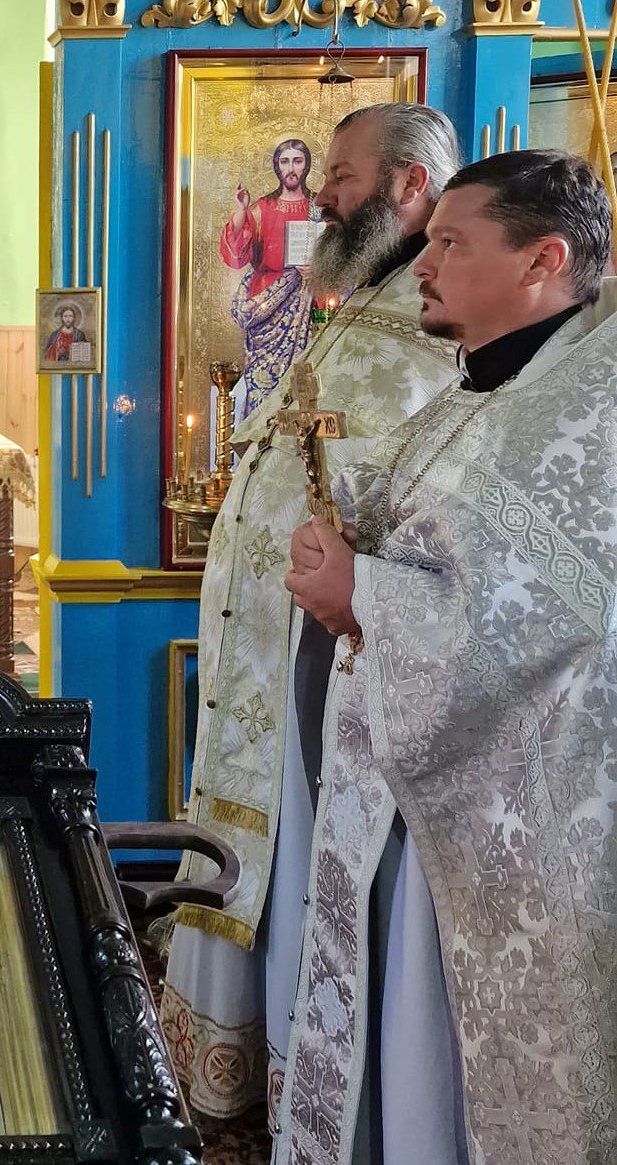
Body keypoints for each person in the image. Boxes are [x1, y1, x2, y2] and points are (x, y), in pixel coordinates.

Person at [277, 148, 616, 1165]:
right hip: (420, 801)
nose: (421, 264)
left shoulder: (590, 408)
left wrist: (362, 594)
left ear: (543, 261)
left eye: (451, 244)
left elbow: (564, 619)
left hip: (516, 816)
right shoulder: (486, 387)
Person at [161, 103, 463, 1129]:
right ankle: (250, 1062)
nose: (324, 197)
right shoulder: (364, 305)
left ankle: (311, 1082)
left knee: (309, 870)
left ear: (411, 186)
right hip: (277, 646)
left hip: (340, 656)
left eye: (342, 176)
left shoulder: (440, 332)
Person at [220, 138, 316, 419]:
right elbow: (236, 256)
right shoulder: (262, 208)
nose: (291, 169)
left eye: (297, 161)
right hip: (267, 305)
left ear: (306, 165)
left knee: (302, 385)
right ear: (277, 166)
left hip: (307, 303)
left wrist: (317, 270)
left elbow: (336, 253)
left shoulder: (318, 207)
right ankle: (257, 436)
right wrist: (241, 211)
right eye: (285, 161)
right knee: (262, 388)